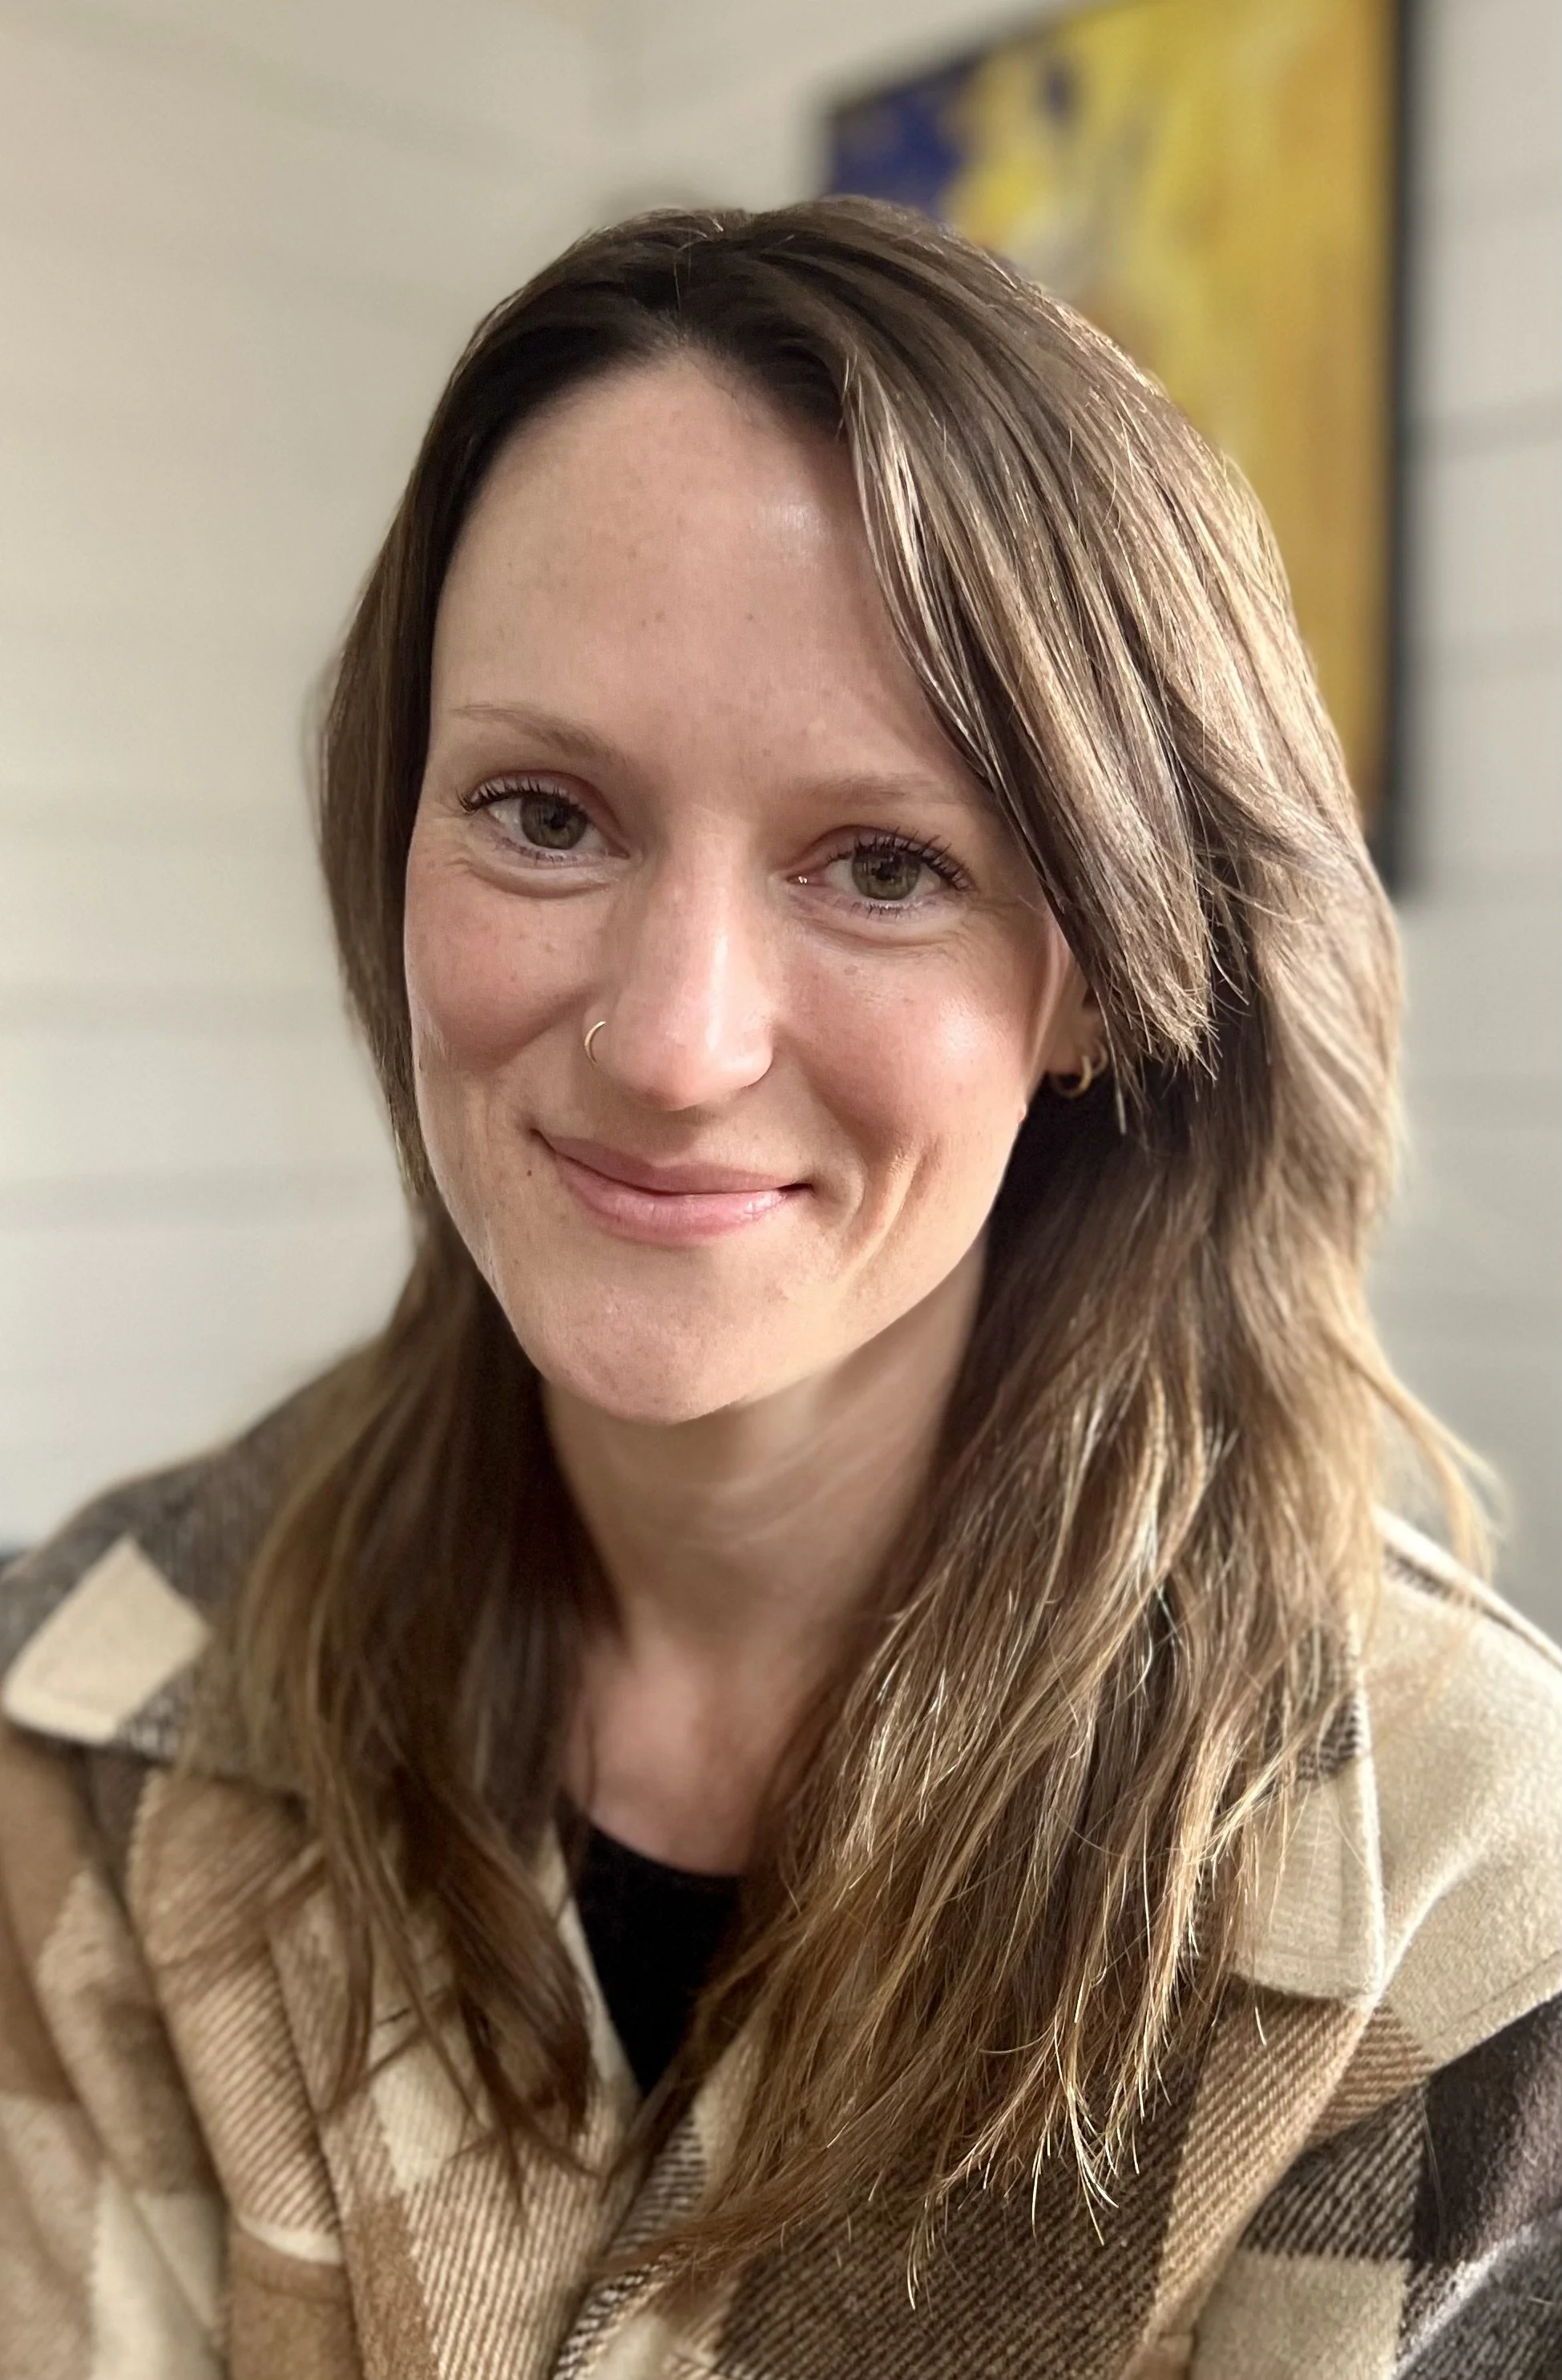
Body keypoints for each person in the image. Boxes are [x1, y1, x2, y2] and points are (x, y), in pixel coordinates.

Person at [1, 200, 1557, 2380]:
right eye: (544, 814)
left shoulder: (1468, 1900)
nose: (671, 1038)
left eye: (885, 865)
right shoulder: (72, 1733)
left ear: (1099, 978)